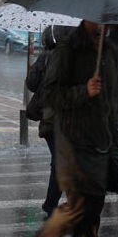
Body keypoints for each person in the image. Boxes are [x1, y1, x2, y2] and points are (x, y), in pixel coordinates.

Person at [24, 20, 118, 237]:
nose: (104, 25)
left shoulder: (110, 52)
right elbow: (50, 94)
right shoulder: (68, 49)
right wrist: (84, 91)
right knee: (81, 207)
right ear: (86, 18)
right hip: (73, 141)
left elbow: (112, 102)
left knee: (93, 213)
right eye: (99, 19)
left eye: (108, 21)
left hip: (101, 141)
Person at [25, 25, 73, 218]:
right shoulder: (78, 58)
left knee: (61, 162)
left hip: (51, 119)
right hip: (69, 120)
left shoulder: (46, 56)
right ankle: (56, 204)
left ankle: (54, 204)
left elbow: (32, 84)